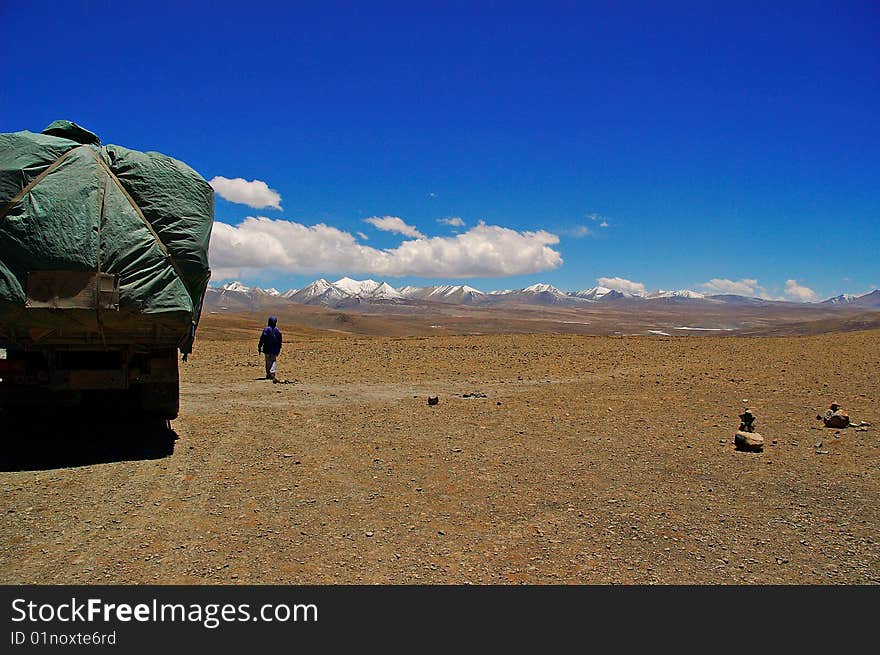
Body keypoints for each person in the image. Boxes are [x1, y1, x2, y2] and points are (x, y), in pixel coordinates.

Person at [258, 316, 282, 380]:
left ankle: (269, 374)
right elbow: (280, 341)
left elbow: (262, 338)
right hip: (274, 349)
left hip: (267, 348)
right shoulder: (277, 330)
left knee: (268, 361)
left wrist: (259, 346)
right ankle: (272, 372)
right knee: (273, 360)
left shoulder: (266, 329)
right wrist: (279, 348)